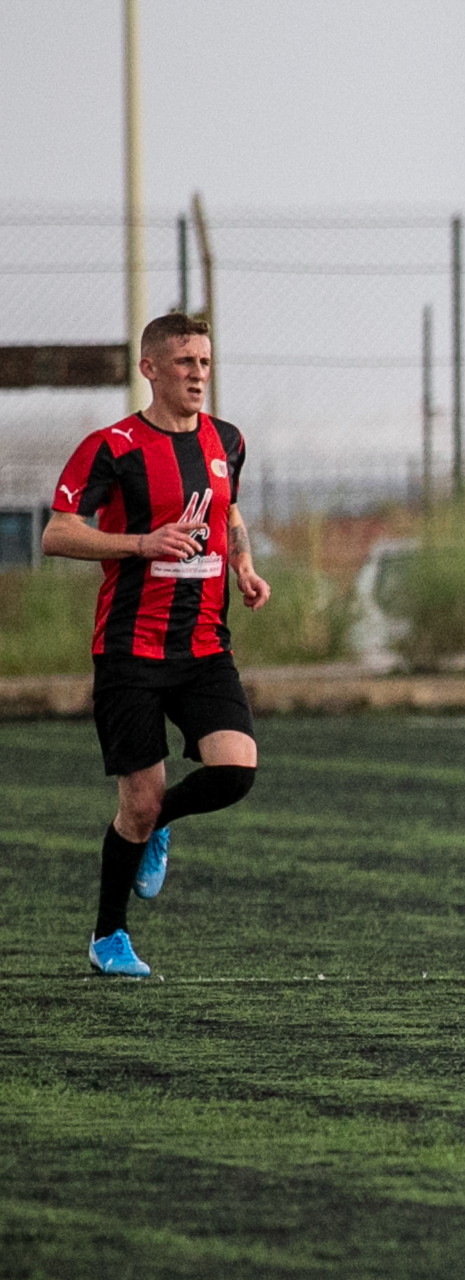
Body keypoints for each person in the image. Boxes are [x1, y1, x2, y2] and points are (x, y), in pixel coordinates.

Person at [42, 313, 272, 978]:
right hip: (130, 651)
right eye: (184, 363)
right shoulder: (112, 447)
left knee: (236, 770)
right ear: (150, 369)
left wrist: (243, 563)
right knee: (136, 803)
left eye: (205, 363)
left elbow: (228, 510)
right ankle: (108, 937)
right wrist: (142, 543)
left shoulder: (228, 440)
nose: (198, 375)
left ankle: (158, 824)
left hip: (204, 646)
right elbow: (57, 532)